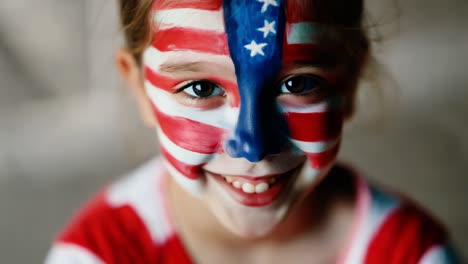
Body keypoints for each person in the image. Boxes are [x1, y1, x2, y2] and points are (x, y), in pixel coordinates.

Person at [45, 0, 459, 263]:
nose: (253, 147)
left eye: (297, 84)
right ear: (138, 87)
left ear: (349, 83)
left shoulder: (411, 253)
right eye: (200, 88)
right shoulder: (98, 254)